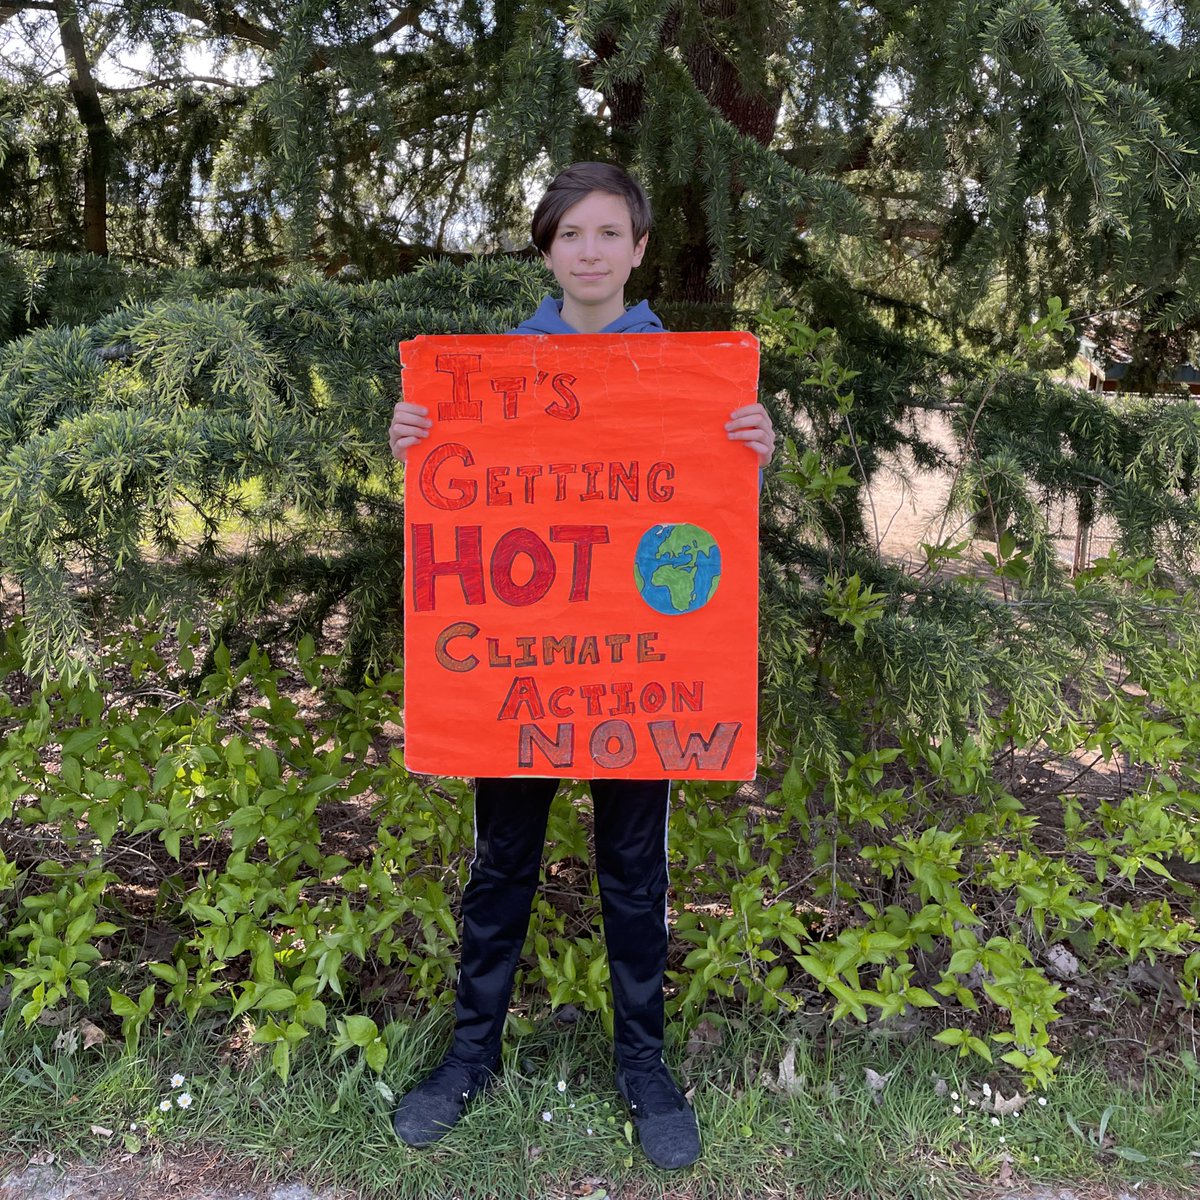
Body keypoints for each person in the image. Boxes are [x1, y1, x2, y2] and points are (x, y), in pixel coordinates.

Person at [387, 161, 775, 1170]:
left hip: (638, 673)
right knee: (502, 862)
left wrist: (749, 442)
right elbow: (457, 491)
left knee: (635, 868)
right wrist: (417, 440)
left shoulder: (688, 376)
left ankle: (644, 1065)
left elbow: (706, 516)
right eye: (572, 236)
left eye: (610, 234)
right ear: (548, 250)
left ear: (639, 250)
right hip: (522, 673)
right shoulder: (493, 371)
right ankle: (470, 1056)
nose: (591, 252)